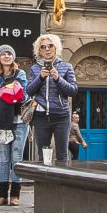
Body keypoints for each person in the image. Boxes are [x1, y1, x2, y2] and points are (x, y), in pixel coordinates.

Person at [0, 45, 30, 206]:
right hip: (1, 121)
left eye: (9, 54)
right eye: (3, 54)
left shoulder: (21, 73)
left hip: (18, 121)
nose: (6, 56)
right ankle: (2, 194)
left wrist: (2, 92)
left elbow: (23, 95)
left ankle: (15, 194)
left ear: (13, 57)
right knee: (4, 159)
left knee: (16, 158)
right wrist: (8, 91)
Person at [27, 34, 78, 166]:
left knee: (62, 154)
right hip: (41, 116)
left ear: (56, 48)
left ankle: (62, 185)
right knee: (42, 154)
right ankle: (43, 186)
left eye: (50, 46)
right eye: (43, 47)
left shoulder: (66, 67)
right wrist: (41, 78)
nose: (47, 49)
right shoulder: (35, 68)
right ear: (39, 50)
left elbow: (73, 90)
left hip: (61, 116)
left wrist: (58, 78)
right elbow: (29, 90)